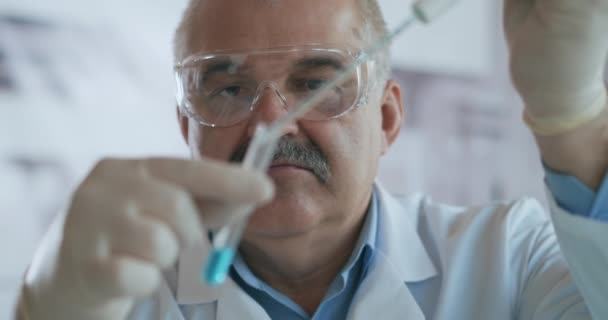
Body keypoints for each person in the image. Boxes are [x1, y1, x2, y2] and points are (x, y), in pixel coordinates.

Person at [16, 0, 608, 319]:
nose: (271, 121)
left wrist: (573, 125)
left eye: (318, 82)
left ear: (386, 120)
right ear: (186, 127)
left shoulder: (510, 258)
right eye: (226, 89)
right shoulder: (114, 300)